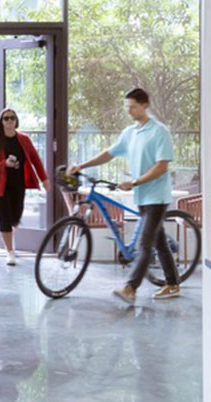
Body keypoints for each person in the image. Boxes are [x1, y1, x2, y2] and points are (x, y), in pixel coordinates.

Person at [66, 87, 179, 303]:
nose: (129, 111)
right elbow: (109, 153)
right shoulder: (130, 133)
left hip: (156, 196)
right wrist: (82, 165)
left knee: (144, 244)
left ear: (145, 105)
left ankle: (130, 288)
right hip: (141, 197)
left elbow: (162, 166)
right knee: (160, 242)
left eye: (133, 107)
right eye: (127, 107)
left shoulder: (159, 131)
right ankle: (173, 284)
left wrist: (135, 181)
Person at [0, 107, 47, 266]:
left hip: (18, 184)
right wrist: (4, 163)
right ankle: (10, 251)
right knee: (4, 218)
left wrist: (44, 179)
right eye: (6, 118)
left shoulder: (24, 139)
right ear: (1, 122)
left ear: (16, 121)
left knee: (15, 217)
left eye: (12, 118)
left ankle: (9, 239)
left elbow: (35, 159)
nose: (9, 121)